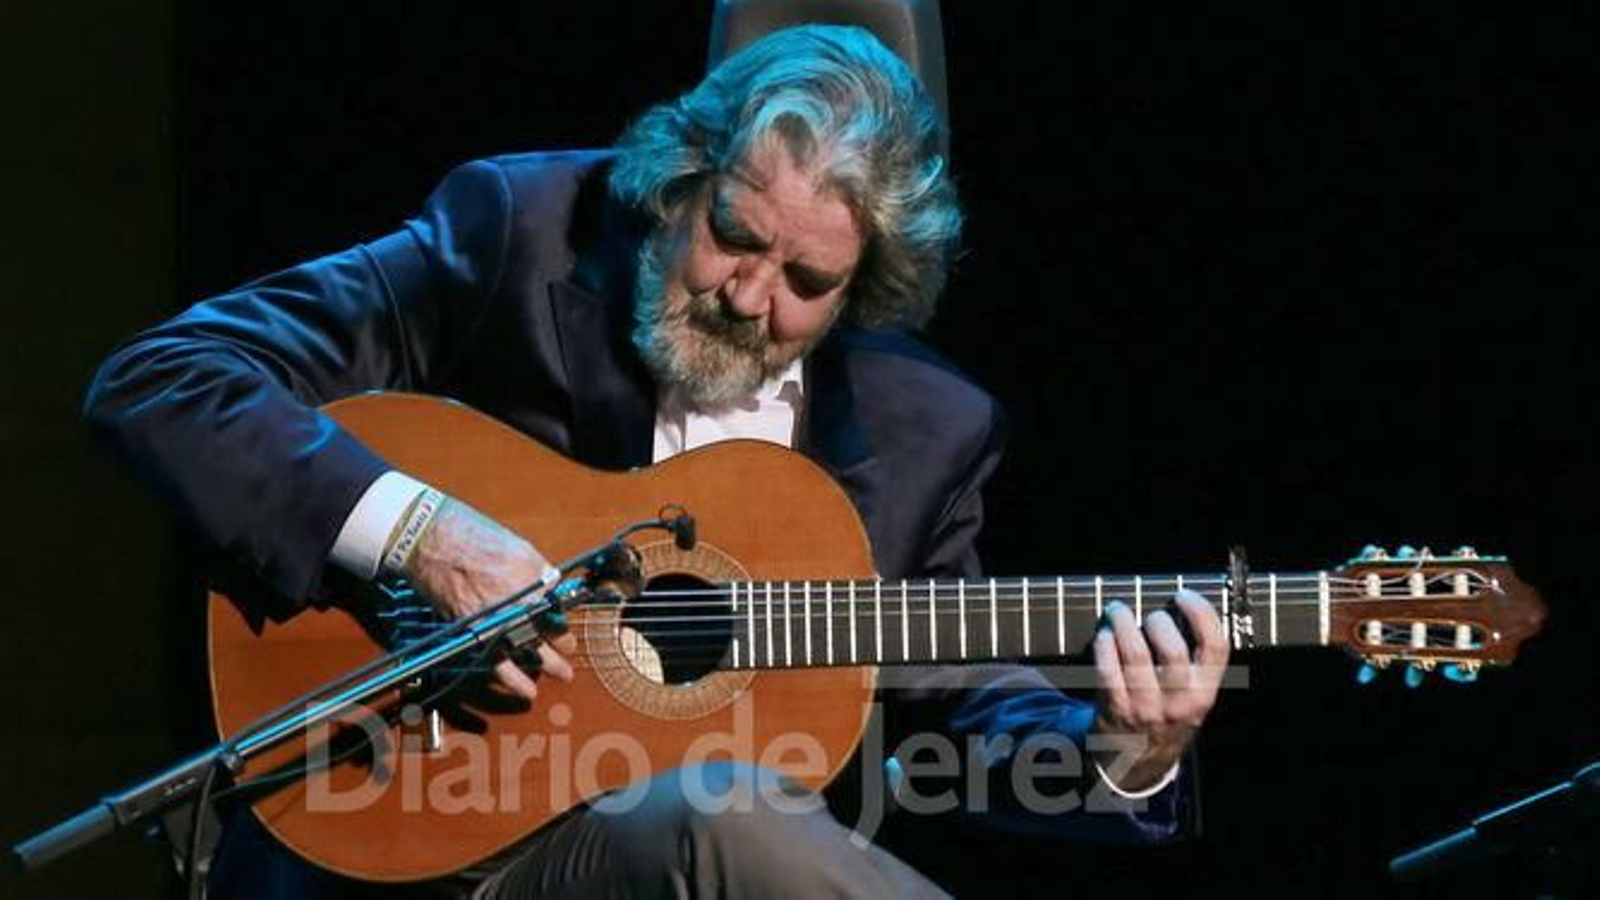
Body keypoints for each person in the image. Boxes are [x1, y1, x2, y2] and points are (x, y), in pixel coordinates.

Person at [84, 24, 1228, 898]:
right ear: (679, 182)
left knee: (726, 809)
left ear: (865, 291)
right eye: (731, 233)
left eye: (806, 283)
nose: (746, 296)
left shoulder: (922, 431)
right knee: (724, 811)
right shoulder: (519, 234)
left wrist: (1125, 748)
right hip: (393, 836)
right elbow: (169, 377)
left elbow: (972, 692)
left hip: (646, 867)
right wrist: (421, 534)